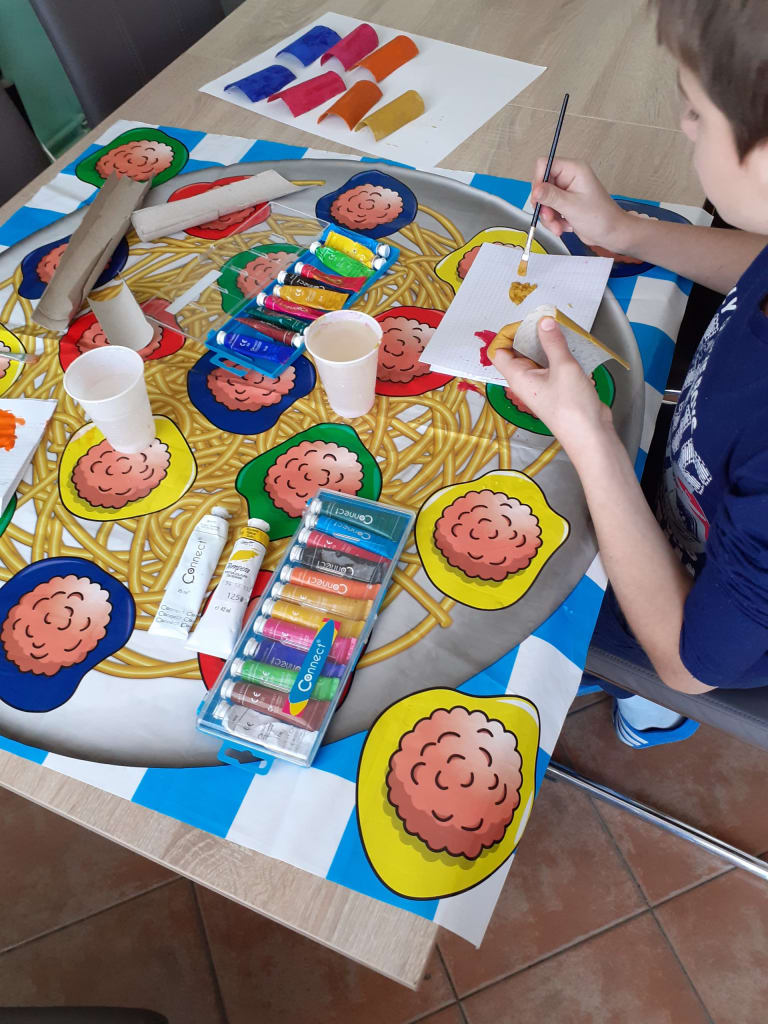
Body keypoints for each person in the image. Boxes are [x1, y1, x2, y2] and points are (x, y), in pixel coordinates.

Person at [491, 0, 768, 748]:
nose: (684, 126)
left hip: (692, 618)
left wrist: (590, 436)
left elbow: (686, 660)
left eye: (697, 111)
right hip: (691, 490)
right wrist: (626, 231)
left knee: (505, 581)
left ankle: (642, 703)